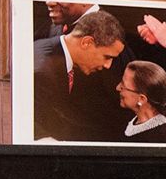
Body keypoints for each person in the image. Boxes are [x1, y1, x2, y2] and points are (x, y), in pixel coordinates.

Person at [32, 10, 129, 141]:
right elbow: (33, 128)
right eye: (107, 57)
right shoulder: (42, 71)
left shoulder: (57, 53)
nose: (108, 65)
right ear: (86, 42)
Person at [116, 60, 166, 143]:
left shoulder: (159, 138)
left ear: (142, 99)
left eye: (123, 86)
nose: (117, 87)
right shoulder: (132, 120)